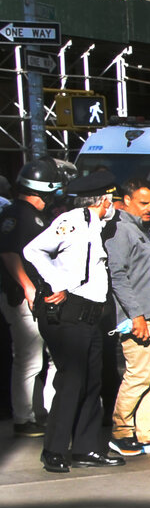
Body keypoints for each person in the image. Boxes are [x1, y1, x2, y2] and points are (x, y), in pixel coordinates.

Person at [24, 169, 123, 473]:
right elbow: (32, 250)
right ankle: (54, 449)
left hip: (91, 315)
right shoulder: (71, 223)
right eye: (112, 200)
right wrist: (56, 283)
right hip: (69, 314)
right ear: (103, 200)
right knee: (72, 381)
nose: (114, 206)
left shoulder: (95, 225)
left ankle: (86, 448)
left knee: (92, 382)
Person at [104, 171, 150, 456]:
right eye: (144, 203)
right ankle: (121, 432)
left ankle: (148, 432)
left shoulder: (142, 226)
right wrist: (135, 315)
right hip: (142, 317)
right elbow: (117, 275)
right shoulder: (121, 229)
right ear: (127, 200)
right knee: (139, 375)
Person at [2, 164, 66, 439]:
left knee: (49, 358)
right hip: (23, 298)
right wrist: (27, 288)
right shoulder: (18, 215)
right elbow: (8, 253)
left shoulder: (26, 214)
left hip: (38, 296)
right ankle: (24, 417)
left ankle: (47, 411)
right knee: (29, 360)